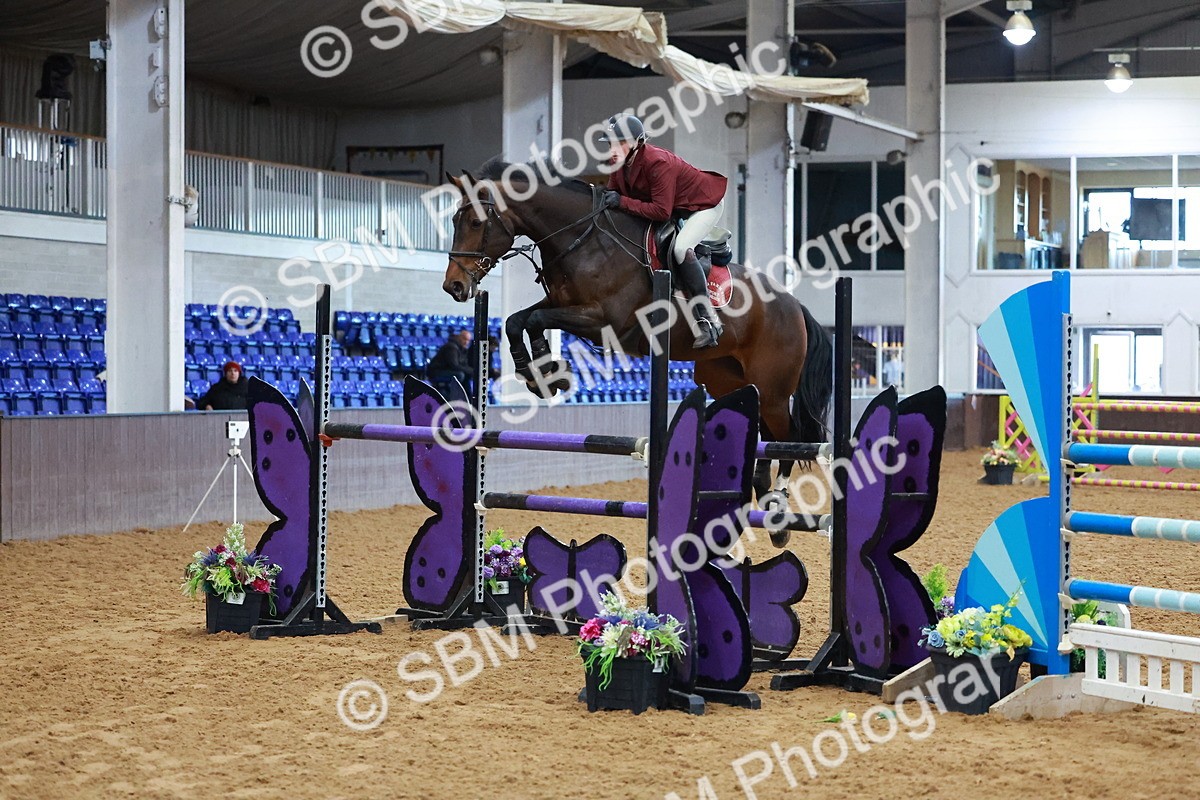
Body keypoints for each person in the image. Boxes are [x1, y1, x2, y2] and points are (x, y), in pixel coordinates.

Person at [598, 113, 727, 349]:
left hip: (701, 206)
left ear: (637, 143)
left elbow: (660, 212)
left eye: (620, 143)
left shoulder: (658, 162)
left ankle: (707, 320)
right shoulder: (619, 164)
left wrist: (621, 202)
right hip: (676, 207)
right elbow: (612, 199)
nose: (613, 149)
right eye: (610, 144)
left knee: (680, 249)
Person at [427, 329, 474, 404]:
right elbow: (454, 365)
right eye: (464, 339)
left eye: (468, 340)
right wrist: (470, 371)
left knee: (466, 375)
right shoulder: (451, 347)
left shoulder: (462, 349)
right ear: (459, 337)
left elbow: (463, 364)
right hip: (437, 371)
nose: (466, 342)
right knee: (460, 375)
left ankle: (467, 400)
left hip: (447, 370)